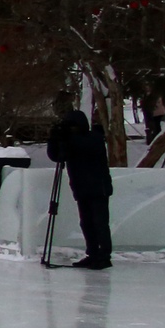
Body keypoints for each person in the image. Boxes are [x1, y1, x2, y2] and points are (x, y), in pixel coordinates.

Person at [46, 97, 114, 269]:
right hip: (82, 188)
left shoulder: (94, 139)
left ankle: (104, 255)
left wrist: (67, 136)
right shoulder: (73, 141)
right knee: (86, 222)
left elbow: (83, 146)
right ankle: (93, 253)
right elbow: (57, 156)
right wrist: (53, 139)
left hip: (99, 188)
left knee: (100, 222)